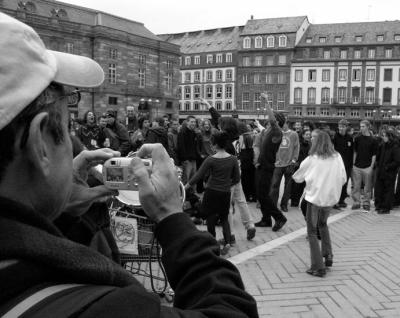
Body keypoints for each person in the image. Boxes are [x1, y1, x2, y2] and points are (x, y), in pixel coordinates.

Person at [0, 13, 258, 317]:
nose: (73, 143)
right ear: (41, 142)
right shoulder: (105, 308)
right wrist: (171, 215)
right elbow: (233, 310)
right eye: (69, 127)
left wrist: (63, 217)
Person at [200, 98, 256, 240]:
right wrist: (208, 105)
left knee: (228, 204)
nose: (218, 125)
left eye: (220, 125)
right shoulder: (235, 135)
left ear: (224, 126)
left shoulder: (224, 139)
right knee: (241, 200)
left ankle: (230, 234)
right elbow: (218, 117)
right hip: (237, 169)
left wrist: (210, 107)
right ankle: (250, 225)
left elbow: (218, 119)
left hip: (228, 172)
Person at [293, 130, 347, 278]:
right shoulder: (337, 157)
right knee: (323, 225)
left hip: (315, 198)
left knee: (311, 231)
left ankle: (318, 266)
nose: (310, 140)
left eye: (312, 138)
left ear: (317, 141)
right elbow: (343, 178)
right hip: (329, 199)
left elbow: (298, 177)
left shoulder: (313, 158)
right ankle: (328, 255)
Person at [185, 131, 240, 255]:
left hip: (211, 192)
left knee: (210, 218)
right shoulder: (233, 159)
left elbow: (198, 175)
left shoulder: (211, 159)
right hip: (225, 193)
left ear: (215, 144)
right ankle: (227, 243)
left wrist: (185, 186)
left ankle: (212, 245)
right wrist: (227, 184)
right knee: (224, 218)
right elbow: (236, 178)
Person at [253, 93, 287, 231]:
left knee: (263, 195)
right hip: (262, 166)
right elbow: (263, 130)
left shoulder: (278, 132)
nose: (269, 121)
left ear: (277, 122)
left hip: (267, 167)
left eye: (272, 120)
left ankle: (279, 218)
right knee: (261, 194)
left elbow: (272, 120)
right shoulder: (269, 131)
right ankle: (266, 219)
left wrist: (266, 102)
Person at [269, 121, 299, 212]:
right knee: (274, 185)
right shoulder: (276, 134)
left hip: (289, 164)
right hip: (277, 164)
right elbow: (271, 147)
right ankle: (273, 204)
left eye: (283, 123)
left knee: (288, 186)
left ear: (287, 124)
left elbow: (296, 147)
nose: (281, 125)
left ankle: (284, 204)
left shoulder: (294, 134)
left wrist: (294, 160)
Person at [351, 120, 378, 211]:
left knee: (367, 187)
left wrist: (371, 167)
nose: (361, 128)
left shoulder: (373, 140)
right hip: (357, 166)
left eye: (363, 126)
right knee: (356, 186)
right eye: (360, 126)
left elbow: (374, 155)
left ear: (368, 127)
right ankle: (356, 202)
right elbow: (355, 151)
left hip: (367, 167)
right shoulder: (357, 138)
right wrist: (353, 164)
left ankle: (366, 203)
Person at [374, 129, 400, 214]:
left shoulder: (395, 146)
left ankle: (386, 208)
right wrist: (378, 164)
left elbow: (397, 161)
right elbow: (378, 157)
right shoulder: (382, 145)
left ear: (389, 136)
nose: (383, 137)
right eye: (383, 136)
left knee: (388, 191)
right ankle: (379, 205)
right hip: (380, 171)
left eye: (385, 136)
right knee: (379, 189)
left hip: (389, 173)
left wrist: (387, 167)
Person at [332, 119, 354, 208]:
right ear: (338, 126)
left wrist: (351, 165)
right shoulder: (334, 137)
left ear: (346, 127)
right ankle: (334, 201)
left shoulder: (349, 138)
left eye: (343, 126)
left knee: (344, 183)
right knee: (336, 183)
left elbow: (352, 151)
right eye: (340, 126)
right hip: (337, 165)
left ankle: (342, 200)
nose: (341, 128)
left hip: (347, 165)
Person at [177, 115, 201, 184]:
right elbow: (181, 147)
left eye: (194, 122)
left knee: (193, 179)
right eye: (191, 122)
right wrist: (185, 159)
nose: (193, 123)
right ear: (187, 122)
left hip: (194, 160)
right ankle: (185, 194)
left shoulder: (194, 133)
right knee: (185, 179)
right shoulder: (182, 133)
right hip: (187, 161)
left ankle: (192, 193)